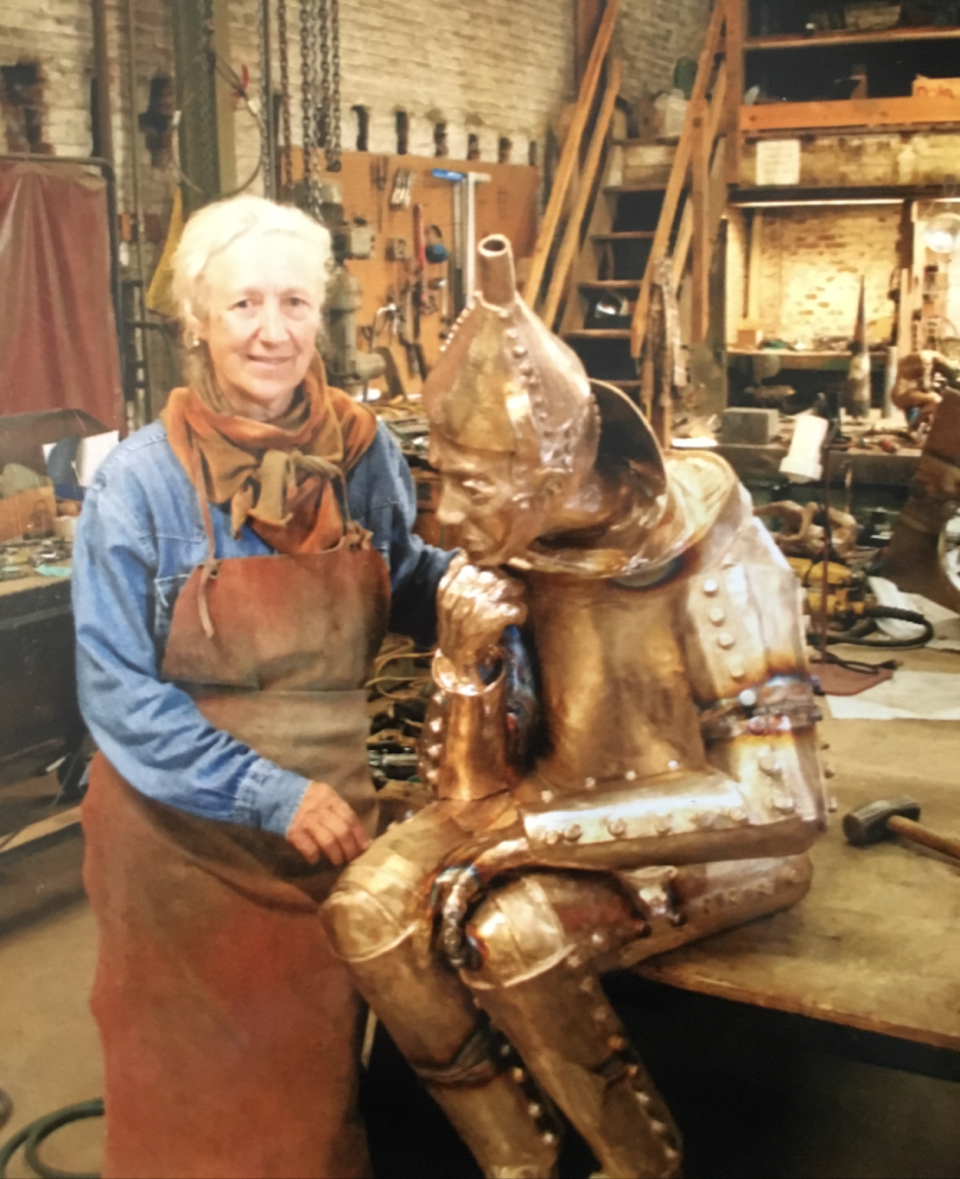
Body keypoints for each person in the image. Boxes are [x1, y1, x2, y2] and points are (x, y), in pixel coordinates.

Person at [323, 235, 826, 1179]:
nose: (446, 520)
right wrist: (465, 665)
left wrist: (531, 839)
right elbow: (471, 790)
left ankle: (640, 1161)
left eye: (473, 487)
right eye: (442, 483)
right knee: (366, 912)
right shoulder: (525, 541)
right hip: (555, 799)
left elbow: (784, 806)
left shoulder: (714, 554)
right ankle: (518, 1160)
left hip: (710, 833)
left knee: (510, 933)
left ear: (554, 473)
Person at [72, 194, 451, 1179]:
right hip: (183, 851)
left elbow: (406, 595)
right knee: (193, 1118)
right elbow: (116, 694)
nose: (272, 332)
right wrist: (270, 795)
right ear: (196, 321)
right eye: (242, 306)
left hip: (342, 832)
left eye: (293, 302)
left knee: (320, 1104)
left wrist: (506, 590)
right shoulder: (142, 484)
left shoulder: (361, 456)